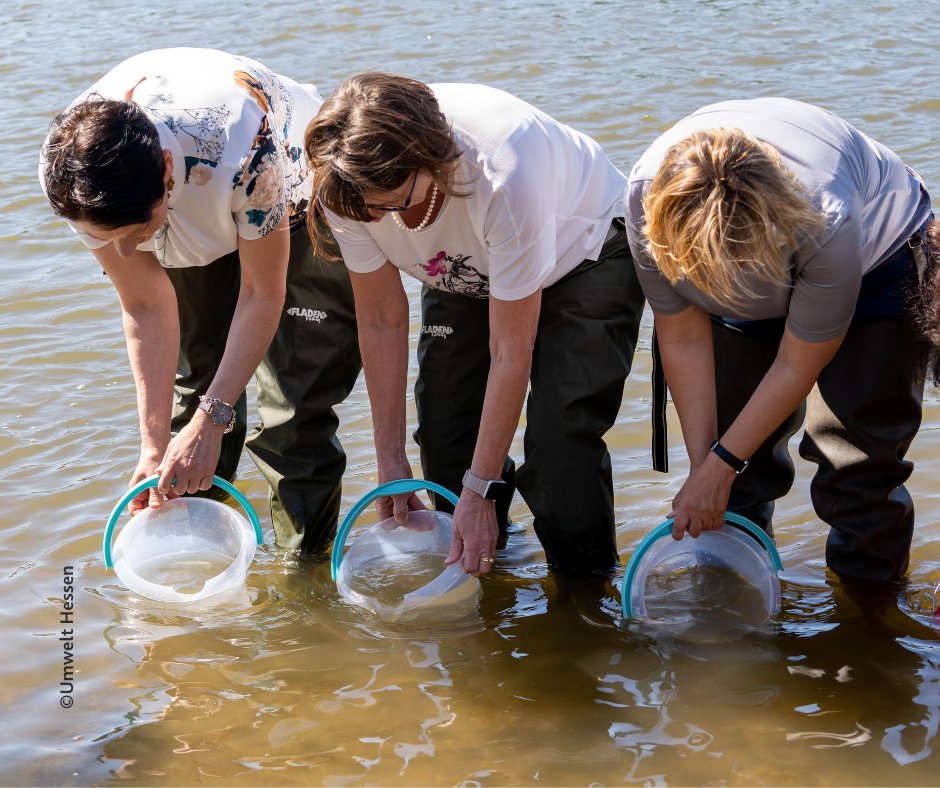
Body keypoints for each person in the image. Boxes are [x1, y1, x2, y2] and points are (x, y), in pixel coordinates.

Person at [305, 73, 645, 576]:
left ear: (432, 159)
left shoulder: (503, 175)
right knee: (446, 444)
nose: (379, 218)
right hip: (463, 268)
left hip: (586, 252)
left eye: (394, 203)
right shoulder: (344, 180)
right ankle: (490, 567)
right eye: (368, 209)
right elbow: (380, 319)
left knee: (559, 451)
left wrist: (481, 486)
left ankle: (585, 600)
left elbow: (511, 352)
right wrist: (391, 460)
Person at [40, 48, 361, 553]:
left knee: (294, 412)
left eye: (136, 232)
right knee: (192, 402)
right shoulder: (73, 174)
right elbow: (146, 306)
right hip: (190, 205)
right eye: (107, 238)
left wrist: (215, 419)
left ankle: (305, 574)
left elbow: (263, 292)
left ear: (168, 171)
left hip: (293, 193)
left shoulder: (246, 150)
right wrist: (153, 448)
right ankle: (200, 552)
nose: (126, 253)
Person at [625, 97, 939, 583]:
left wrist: (719, 467)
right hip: (764, 243)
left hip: (881, 258)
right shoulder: (645, 205)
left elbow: (797, 363)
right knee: (730, 464)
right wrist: (707, 468)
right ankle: (735, 594)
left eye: (744, 260)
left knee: (856, 463)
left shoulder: (827, 215)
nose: (736, 278)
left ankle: (868, 621)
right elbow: (683, 336)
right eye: (712, 268)